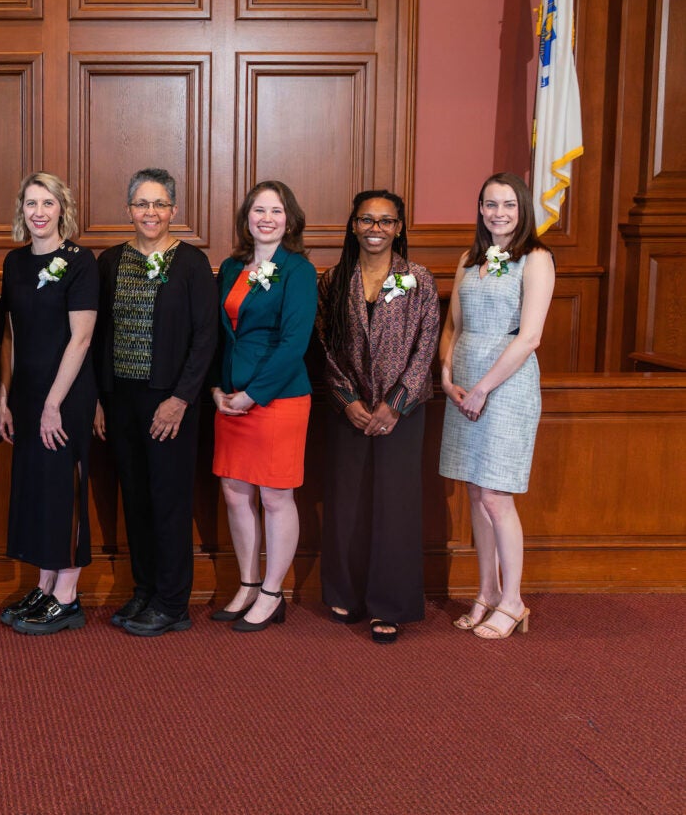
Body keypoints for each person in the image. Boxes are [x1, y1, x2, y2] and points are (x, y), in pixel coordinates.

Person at [91, 169, 216, 637]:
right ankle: (145, 591)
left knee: (168, 501)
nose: (150, 212)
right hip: (120, 400)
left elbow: (206, 339)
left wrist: (180, 399)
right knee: (136, 499)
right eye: (142, 204)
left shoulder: (192, 264)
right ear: (129, 210)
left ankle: (172, 601)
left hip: (170, 404)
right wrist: (99, 400)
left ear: (173, 210)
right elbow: (98, 335)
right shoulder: (109, 262)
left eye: (159, 204)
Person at [316, 191, 440, 644]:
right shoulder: (334, 280)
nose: (376, 229)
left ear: (399, 228)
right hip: (349, 409)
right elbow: (323, 343)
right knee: (347, 502)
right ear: (353, 225)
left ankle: (389, 604)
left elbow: (427, 344)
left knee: (395, 504)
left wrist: (396, 403)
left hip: (401, 411)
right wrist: (347, 399)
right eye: (367, 220)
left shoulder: (417, 279)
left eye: (386, 221)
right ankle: (345, 592)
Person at [439, 172, 554, 640]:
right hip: (464, 382)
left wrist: (484, 388)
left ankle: (513, 600)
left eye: (508, 204)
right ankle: (486, 592)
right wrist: (446, 376)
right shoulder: (469, 258)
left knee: (495, 495)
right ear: (480, 209)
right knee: (473, 491)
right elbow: (454, 325)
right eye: (490, 204)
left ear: (522, 209)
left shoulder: (536, 258)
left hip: (506, 385)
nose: (498, 213)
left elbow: (530, 337)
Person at [210, 180, 317, 633]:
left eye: (276, 211)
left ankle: (273, 593)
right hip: (231, 399)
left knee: (275, 496)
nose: (266, 219)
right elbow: (222, 335)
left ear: (289, 220)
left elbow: (295, 343)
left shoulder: (299, 271)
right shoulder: (232, 267)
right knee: (235, 493)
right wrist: (218, 389)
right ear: (246, 217)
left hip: (278, 398)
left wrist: (253, 394)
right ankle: (249, 584)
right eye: (258, 210)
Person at [0, 173, 99, 635]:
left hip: (66, 396)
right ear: (22, 210)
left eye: (48, 203)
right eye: (31, 203)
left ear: (62, 209)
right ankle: (45, 584)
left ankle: (68, 595)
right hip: (26, 394)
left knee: (64, 490)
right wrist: (4, 398)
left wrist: (53, 404)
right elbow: (10, 335)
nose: (39, 212)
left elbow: (81, 338)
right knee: (38, 490)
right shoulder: (15, 262)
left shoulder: (80, 262)